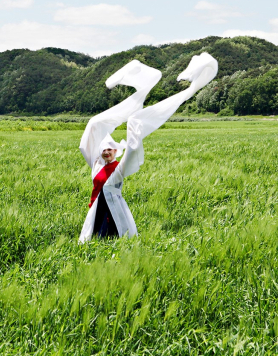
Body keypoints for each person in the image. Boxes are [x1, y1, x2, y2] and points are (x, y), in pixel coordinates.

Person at [79, 53, 219, 242]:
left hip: (114, 208)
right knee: (93, 237)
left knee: (113, 236)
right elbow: (87, 141)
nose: (106, 152)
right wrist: (96, 123)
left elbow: (132, 148)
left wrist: (134, 128)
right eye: (104, 149)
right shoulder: (96, 164)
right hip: (96, 206)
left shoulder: (119, 168)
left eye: (109, 150)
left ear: (115, 152)